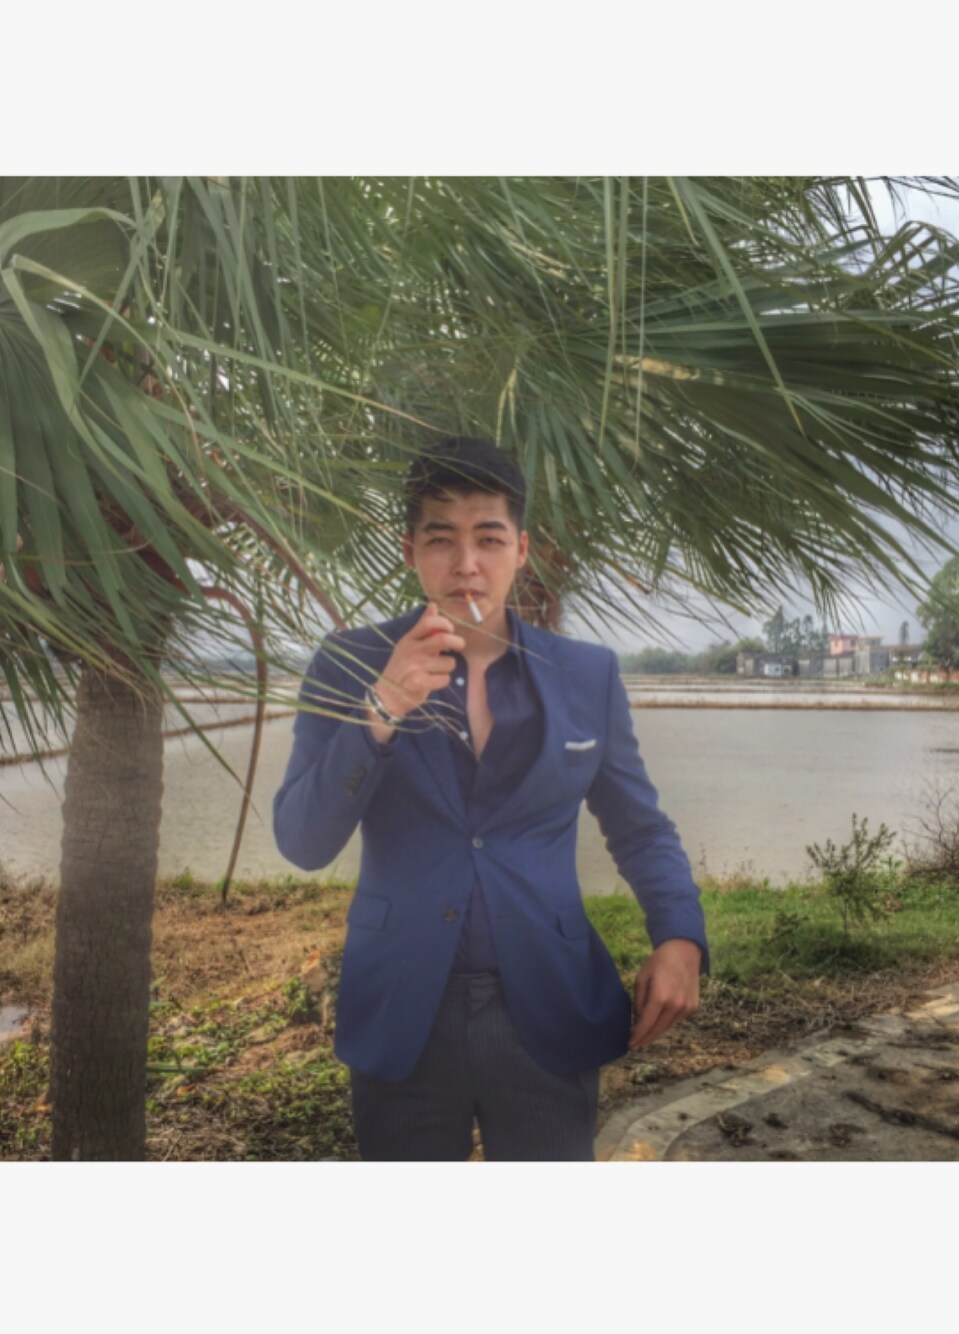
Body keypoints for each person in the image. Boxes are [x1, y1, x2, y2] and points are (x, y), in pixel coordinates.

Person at [273, 438, 708, 1161]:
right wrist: (382, 706)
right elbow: (301, 840)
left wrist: (680, 937)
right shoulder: (348, 664)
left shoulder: (587, 675)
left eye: (489, 538)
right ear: (410, 550)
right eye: (441, 538)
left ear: (521, 549)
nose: (466, 564)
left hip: (547, 1000)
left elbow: (639, 827)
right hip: (402, 1003)